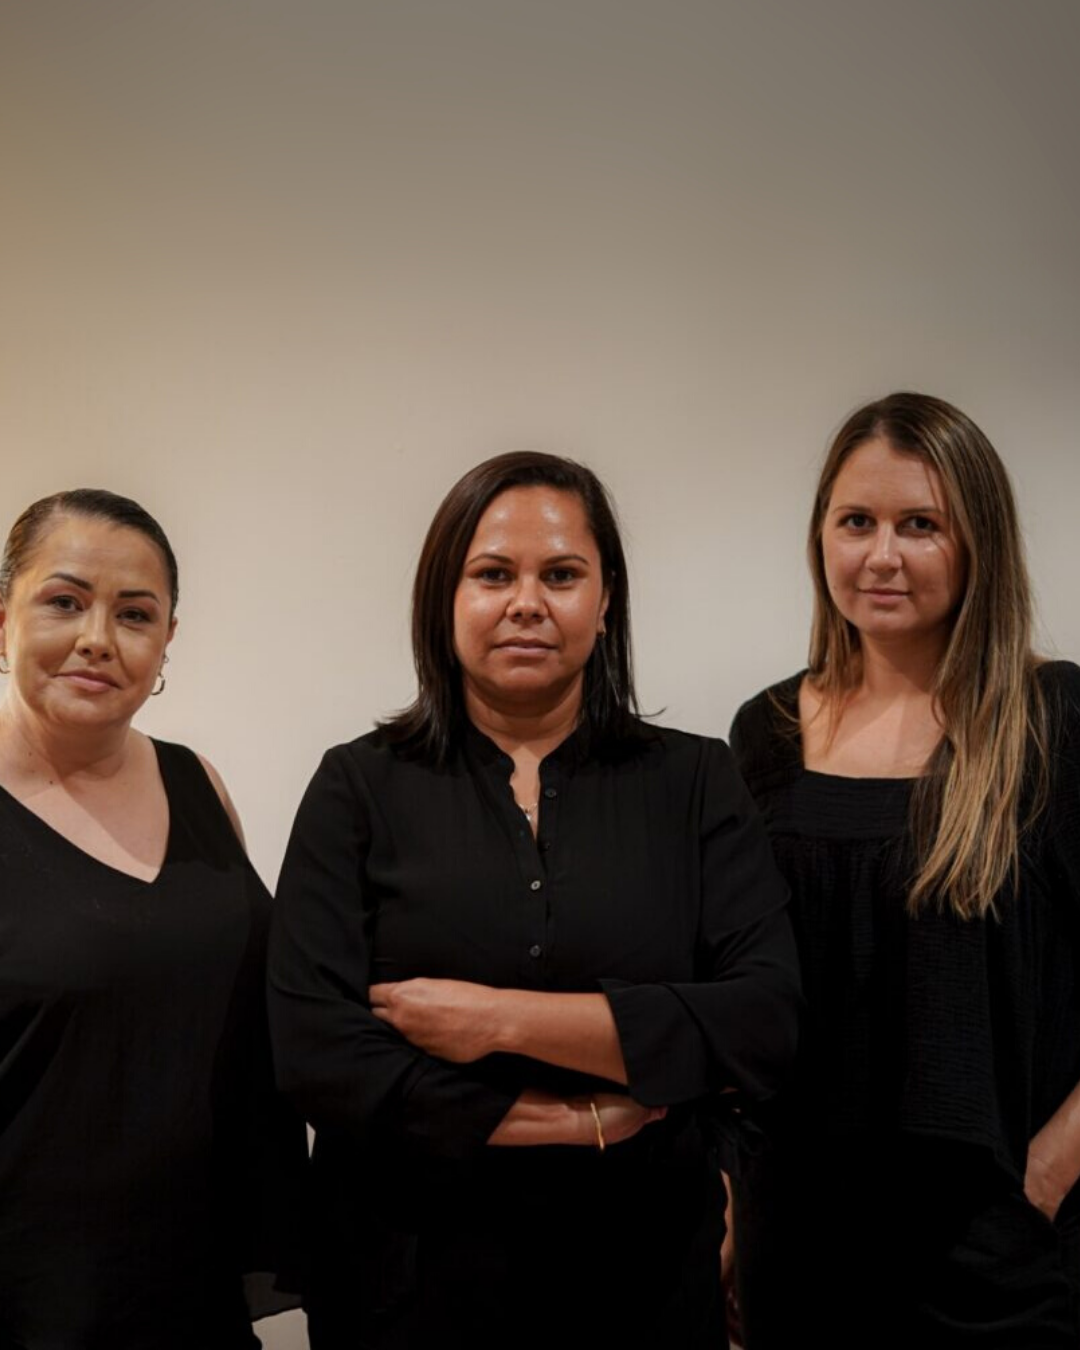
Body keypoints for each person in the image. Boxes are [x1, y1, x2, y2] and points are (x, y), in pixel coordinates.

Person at [268, 451, 801, 1349]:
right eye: (491, 575)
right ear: (446, 597)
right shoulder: (358, 786)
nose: (526, 602)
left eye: (561, 574)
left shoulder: (694, 779)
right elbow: (315, 1048)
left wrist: (499, 1021)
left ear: (605, 599)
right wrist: (570, 1118)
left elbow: (765, 1019)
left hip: (644, 1278)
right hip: (407, 1282)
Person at [729, 393, 1080, 1348]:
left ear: (979, 544)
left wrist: (1051, 1170)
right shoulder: (764, 732)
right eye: (857, 522)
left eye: (920, 524)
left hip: (996, 1252)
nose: (881, 555)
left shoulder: (1054, 719)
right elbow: (742, 993)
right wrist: (733, 1200)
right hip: (800, 1243)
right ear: (821, 538)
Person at [0, 489, 305, 1349]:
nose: (98, 637)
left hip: (192, 1288)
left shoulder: (196, 783)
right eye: (64, 601)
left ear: (167, 639)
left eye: (135, 613)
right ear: (3, 618)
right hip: (33, 1304)